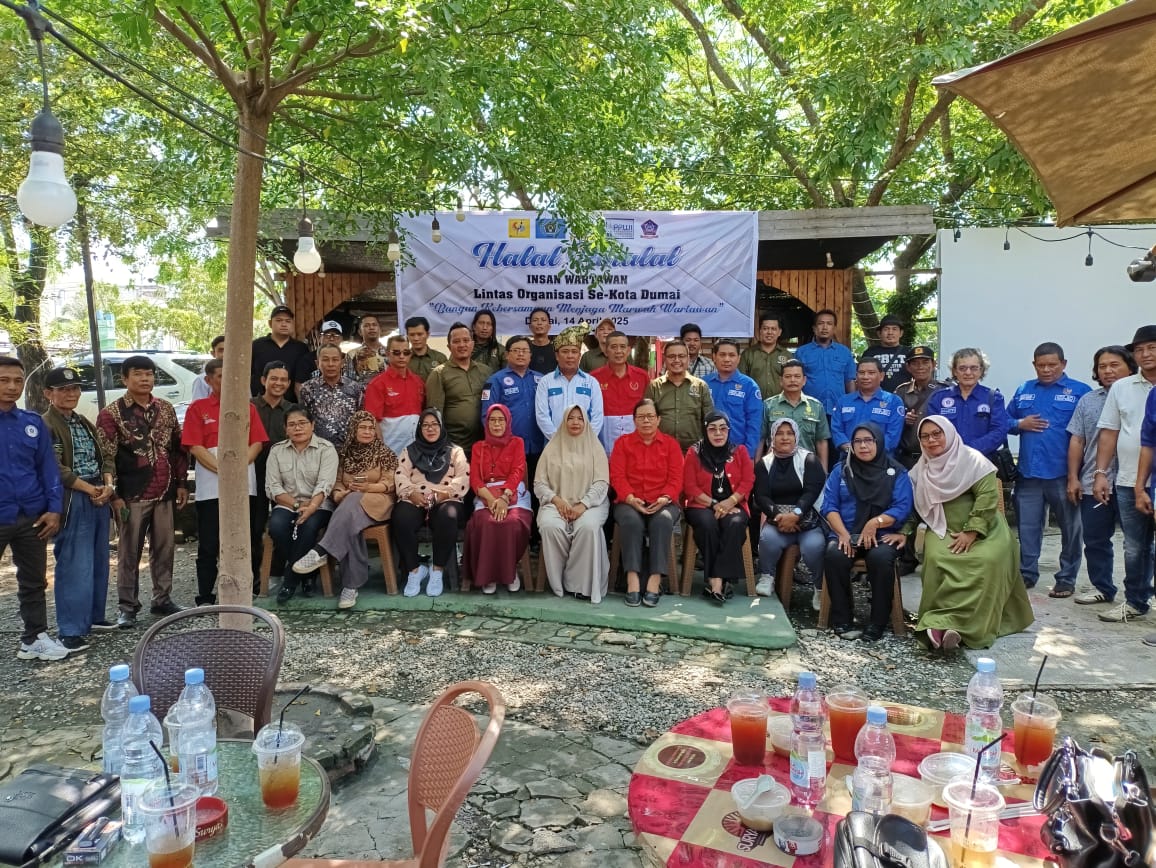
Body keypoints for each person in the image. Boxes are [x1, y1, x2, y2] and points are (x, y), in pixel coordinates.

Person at [909, 416, 1034, 650]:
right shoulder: (920, 469)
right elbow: (913, 506)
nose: (931, 440)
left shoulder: (973, 460)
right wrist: (903, 530)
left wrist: (972, 531)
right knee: (937, 558)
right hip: (943, 526)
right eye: (925, 436)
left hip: (986, 527)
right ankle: (941, 623)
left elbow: (987, 496)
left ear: (949, 433)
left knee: (988, 560)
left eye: (937, 434)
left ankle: (962, 627)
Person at [96, 355, 188, 628]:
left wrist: (181, 483)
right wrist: (113, 495)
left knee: (165, 549)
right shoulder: (111, 413)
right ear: (125, 378)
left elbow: (177, 448)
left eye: (149, 374)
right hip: (131, 495)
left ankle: (162, 599)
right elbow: (106, 457)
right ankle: (127, 607)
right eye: (138, 374)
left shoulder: (166, 409)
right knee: (129, 553)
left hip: (165, 491)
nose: (145, 379)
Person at [291, 411, 398, 610]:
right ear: (353, 430)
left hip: (378, 501)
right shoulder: (344, 454)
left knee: (351, 505)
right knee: (350, 523)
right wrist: (339, 494)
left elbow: (390, 484)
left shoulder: (385, 453)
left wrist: (368, 487)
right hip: (349, 507)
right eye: (362, 427)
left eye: (371, 428)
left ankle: (322, 551)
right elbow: (337, 483)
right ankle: (350, 586)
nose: (367, 432)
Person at [41, 366, 116, 651]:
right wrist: (90, 489)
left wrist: (107, 485)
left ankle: (94, 616)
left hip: (97, 493)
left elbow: (105, 455)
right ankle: (71, 629)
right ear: (48, 394)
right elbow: (54, 467)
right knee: (75, 563)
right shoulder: (47, 424)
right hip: (73, 497)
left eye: (74, 389)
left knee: (98, 559)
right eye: (63, 389)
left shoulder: (83, 421)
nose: (71, 394)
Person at [182, 359, 268, 605]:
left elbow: (257, 442)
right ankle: (205, 595)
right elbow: (195, 446)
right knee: (209, 541)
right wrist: (224, 470)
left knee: (248, 536)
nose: (227, 381)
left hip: (244, 480)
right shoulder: (198, 408)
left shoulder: (248, 408)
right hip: (212, 484)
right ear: (208, 380)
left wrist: (237, 470)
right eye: (220, 376)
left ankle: (248, 588)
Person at [1007, 342, 1091, 595]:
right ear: (1034, 365)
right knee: (1027, 528)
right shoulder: (1024, 390)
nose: (1046, 370)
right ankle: (1027, 573)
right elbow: (1004, 421)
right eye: (1041, 365)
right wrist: (1019, 423)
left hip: (1064, 474)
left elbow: (1090, 434)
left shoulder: (1080, 392)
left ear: (1063, 364)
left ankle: (1066, 577)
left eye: (1052, 365)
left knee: (1071, 529)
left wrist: (1079, 476)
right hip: (1028, 474)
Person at [821, 422, 913, 642]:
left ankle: (877, 622)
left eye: (868, 440)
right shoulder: (842, 470)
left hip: (882, 535)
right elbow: (829, 506)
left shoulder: (896, 472)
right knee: (834, 555)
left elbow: (902, 506)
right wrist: (843, 534)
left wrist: (875, 522)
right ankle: (842, 619)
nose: (863, 446)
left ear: (878, 442)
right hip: (846, 532)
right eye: (858, 441)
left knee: (880, 559)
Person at [1, 357, 66, 661]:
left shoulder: (31, 422)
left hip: (31, 515)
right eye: (4, 380)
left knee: (34, 581)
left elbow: (47, 468)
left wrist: (54, 508)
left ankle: (34, 638)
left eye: (18, 380)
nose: (12, 387)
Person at [1093, 325, 1156, 622]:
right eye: (1140, 349)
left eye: (1152, 347)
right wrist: (1101, 473)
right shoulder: (1122, 387)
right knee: (1134, 547)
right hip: (1130, 480)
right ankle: (1135, 601)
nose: (1146, 354)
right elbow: (1109, 433)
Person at [1068, 346, 1134, 607]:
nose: (1107, 371)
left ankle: (1139, 595)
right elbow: (1077, 439)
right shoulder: (1088, 400)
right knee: (1095, 539)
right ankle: (1103, 588)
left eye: (1114, 365)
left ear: (1130, 366)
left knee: (1137, 543)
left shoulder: (1144, 395)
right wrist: (1073, 477)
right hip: (1093, 482)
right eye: (1102, 366)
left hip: (1134, 480)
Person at [609, 399, 684, 607]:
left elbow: (677, 479)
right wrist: (630, 498)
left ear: (659, 419)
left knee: (663, 520)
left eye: (650, 416)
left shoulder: (671, 445)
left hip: (663, 502)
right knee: (631, 521)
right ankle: (632, 579)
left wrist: (665, 498)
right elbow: (617, 476)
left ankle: (655, 579)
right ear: (634, 420)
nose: (646, 421)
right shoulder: (622, 443)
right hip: (629, 501)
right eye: (641, 417)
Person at [535, 405, 611, 602]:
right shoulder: (552, 448)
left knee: (588, 527)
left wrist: (583, 504)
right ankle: (559, 583)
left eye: (580, 418)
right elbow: (539, 484)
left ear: (586, 422)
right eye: (570, 418)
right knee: (550, 526)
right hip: (556, 503)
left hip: (591, 504)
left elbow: (602, 483)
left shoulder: (595, 447)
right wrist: (556, 500)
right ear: (564, 421)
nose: (575, 422)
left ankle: (579, 585)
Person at [393, 409, 470, 597]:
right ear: (419, 428)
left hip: (446, 497)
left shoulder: (456, 451)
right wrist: (410, 493)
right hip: (415, 498)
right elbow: (400, 475)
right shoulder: (409, 451)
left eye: (434, 424)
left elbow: (463, 478)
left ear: (441, 426)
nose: (430, 429)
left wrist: (443, 494)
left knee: (448, 515)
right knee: (401, 517)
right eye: (425, 425)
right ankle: (414, 571)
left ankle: (437, 570)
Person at [266, 408, 339, 602]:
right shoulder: (277, 451)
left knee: (308, 526)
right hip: (288, 503)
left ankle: (289, 581)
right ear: (285, 429)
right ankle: (308, 575)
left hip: (320, 505)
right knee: (277, 527)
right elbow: (272, 487)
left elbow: (325, 484)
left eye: (302, 423)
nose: (297, 428)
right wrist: (298, 505)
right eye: (292, 425)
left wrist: (312, 506)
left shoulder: (326, 449)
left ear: (312, 425)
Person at [683, 412, 754, 604]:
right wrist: (716, 505)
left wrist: (730, 502)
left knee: (735, 523)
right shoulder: (694, 452)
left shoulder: (739, 451)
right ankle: (719, 581)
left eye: (723, 429)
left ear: (729, 431)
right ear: (705, 431)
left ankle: (716, 579)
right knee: (707, 524)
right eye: (712, 429)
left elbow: (748, 481)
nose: (718, 433)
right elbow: (690, 486)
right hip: (701, 505)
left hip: (733, 504)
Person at [753, 418, 826, 599]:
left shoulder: (809, 460)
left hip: (807, 522)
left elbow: (811, 492)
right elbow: (761, 496)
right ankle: (767, 577)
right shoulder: (764, 464)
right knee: (767, 539)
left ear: (796, 437)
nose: (785, 438)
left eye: (789, 433)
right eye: (779, 433)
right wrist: (779, 517)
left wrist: (796, 515)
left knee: (814, 546)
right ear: (772, 437)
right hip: (777, 522)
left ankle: (819, 588)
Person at [463, 405, 532, 593]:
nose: (496, 424)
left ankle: (510, 572)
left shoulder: (517, 442)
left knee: (512, 522)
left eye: (501, 420)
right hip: (486, 494)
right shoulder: (478, 447)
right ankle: (489, 576)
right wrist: (492, 500)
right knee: (486, 522)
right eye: (492, 420)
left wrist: (504, 498)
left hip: (511, 492)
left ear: (508, 422)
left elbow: (517, 471)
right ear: (487, 423)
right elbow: (475, 479)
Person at [251, 361, 299, 588]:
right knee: (255, 525)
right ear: (263, 380)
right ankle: (253, 576)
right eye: (274, 379)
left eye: (283, 380)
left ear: (289, 384)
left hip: (285, 478)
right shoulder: (249, 407)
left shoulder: (293, 410)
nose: (278, 383)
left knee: (283, 524)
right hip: (253, 474)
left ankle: (277, 572)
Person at [925, 348, 1012, 462]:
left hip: (982, 463)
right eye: (962, 368)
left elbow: (999, 432)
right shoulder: (938, 398)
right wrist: (952, 452)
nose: (968, 373)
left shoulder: (993, 398)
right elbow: (931, 432)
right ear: (954, 371)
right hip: (947, 463)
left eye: (974, 368)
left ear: (981, 370)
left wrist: (968, 451)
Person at [426, 322, 493, 456]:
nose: (462, 345)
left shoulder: (486, 372)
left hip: (484, 445)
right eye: (456, 341)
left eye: (466, 340)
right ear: (449, 347)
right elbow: (435, 414)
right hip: (454, 448)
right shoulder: (439, 374)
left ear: (472, 344)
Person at [535, 324, 605, 441]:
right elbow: (542, 416)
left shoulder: (591, 382)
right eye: (565, 351)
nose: (570, 356)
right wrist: (557, 439)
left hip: (585, 443)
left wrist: (586, 439)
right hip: (554, 443)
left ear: (579, 355)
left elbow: (597, 415)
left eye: (574, 351)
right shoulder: (546, 382)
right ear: (557, 356)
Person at [646, 339, 714, 452]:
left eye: (681, 356)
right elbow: (647, 419)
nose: (677, 360)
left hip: (693, 452)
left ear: (688, 358)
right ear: (665, 359)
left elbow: (709, 420)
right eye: (671, 356)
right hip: (661, 451)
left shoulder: (701, 386)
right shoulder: (654, 387)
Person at [761, 359, 830, 468]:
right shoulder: (768, 405)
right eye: (788, 376)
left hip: (807, 466)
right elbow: (760, 439)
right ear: (781, 380)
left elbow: (821, 441)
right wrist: (758, 468)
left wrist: (823, 471)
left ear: (804, 380)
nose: (792, 380)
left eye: (797, 376)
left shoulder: (816, 406)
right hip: (776, 466)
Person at [363, 334, 425, 455]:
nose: (402, 356)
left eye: (406, 352)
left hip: (417, 453)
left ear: (410, 354)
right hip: (391, 452)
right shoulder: (377, 384)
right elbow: (372, 421)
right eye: (396, 352)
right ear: (387, 353)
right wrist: (382, 453)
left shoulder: (418, 382)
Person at [831, 357, 905, 456]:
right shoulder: (843, 401)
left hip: (882, 460)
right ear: (856, 376)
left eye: (871, 373)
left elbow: (893, 434)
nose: (865, 377)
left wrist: (869, 452)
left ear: (881, 376)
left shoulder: (894, 402)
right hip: (849, 458)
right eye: (861, 373)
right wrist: (850, 449)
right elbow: (836, 430)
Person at [592, 331, 650, 454]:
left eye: (622, 347)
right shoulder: (593, 378)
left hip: (636, 444)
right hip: (603, 445)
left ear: (628, 350)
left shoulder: (642, 377)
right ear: (606, 351)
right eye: (613, 347)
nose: (618, 351)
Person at [704, 339, 763, 458]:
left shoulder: (749, 386)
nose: (727, 359)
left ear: (738, 358)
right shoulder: (704, 384)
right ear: (714, 357)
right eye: (722, 355)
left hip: (737, 452)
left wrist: (747, 455)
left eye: (732, 355)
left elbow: (754, 424)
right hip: (707, 452)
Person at [794, 308, 857, 417]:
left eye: (829, 324)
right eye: (821, 323)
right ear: (814, 328)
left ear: (834, 328)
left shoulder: (844, 352)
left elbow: (849, 381)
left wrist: (852, 406)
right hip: (809, 410)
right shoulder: (801, 352)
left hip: (838, 409)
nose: (825, 327)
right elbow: (795, 381)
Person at [298, 344, 364, 446]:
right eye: (325, 360)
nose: (330, 364)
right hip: (318, 449)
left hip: (349, 449)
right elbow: (303, 420)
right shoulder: (307, 389)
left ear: (342, 363)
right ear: (317, 363)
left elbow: (361, 419)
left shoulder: (355, 388)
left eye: (335, 360)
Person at [894, 346, 946, 469]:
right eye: (915, 363)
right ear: (908, 367)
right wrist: (903, 420)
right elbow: (891, 422)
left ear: (934, 364)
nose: (920, 367)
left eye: (925, 362)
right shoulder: (901, 391)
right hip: (908, 459)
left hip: (939, 458)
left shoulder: (945, 390)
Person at [251, 305, 311, 401]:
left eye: (288, 321)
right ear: (270, 323)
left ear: (293, 324)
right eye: (279, 320)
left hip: (291, 405)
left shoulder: (301, 348)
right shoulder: (256, 345)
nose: (284, 324)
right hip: (259, 404)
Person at [739, 312, 793, 400]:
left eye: (773, 329)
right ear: (760, 330)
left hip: (780, 404)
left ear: (779, 332)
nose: (769, 332)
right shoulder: (748, 354)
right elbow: (741, 380)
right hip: (753, 402)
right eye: (765, 328)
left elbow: (792, 381)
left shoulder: (787, 355)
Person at [861, 314, 911, 393]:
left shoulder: (909, 352)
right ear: (879, 333)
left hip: (904, 396)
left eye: (894, 329)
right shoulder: (870, 352)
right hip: (876, 396)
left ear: (901, 333)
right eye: (886, 329)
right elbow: (862, 375)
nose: (890, 332)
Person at [344, 314, 389, 385]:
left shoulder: (391, 352)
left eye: (374, 325)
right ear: (360, 332)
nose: (371, 328)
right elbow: (348, 382)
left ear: (380, 330)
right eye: (366, 325)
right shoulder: (352, 355)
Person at [405, 316, 448, 381]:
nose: (416, 338)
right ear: (407, 336)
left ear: (427, 334)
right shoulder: (403, 359)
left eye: (420, 334)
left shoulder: (440, 358)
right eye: (412, 335)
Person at [190, 335, 225, 402]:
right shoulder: (201, 380)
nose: (225, 354)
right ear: (213, 353)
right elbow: (199, 406)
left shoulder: (239, 378)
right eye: (221, 350)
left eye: (228, 351)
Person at [527, 308, 557, 374]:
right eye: (535, 320)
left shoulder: (557, 349)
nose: (539, 323)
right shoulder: (525, 349)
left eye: (543, 320)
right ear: (530, 326)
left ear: (549, 325)